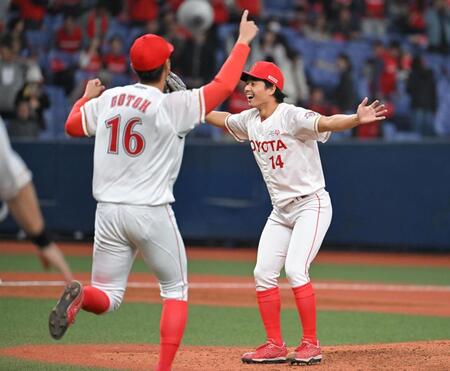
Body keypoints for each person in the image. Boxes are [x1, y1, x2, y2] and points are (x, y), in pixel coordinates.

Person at [47, 10, 258, 371]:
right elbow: (222, 88)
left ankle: (82, 296)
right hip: (150, 211)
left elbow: (70, 125)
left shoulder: (110, 98)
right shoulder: (171, 104)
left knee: (109, 297)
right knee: (175, 290)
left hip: (109, 211)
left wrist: (85, 97)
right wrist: (242, 42)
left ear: (133, 68)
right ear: (167, 65)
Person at [205, 61, 386, 366]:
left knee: (296, 269)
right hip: (281, 211)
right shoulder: (250, 119)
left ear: (272, 88)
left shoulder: (291, 116)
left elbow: (327, 123)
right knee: (262, 272)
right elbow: (223, 119)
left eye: (254, 83)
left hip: (310, 205)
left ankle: (311, 344)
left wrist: (356, 118)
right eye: (246, 82)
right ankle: (275, 345)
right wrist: (193, 107)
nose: (247, 88)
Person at [0, 116, 73, 282]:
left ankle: (71, 285)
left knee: (41, 237)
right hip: (10, 177)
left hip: (13, 177)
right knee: (41, 239)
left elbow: (5, 164)